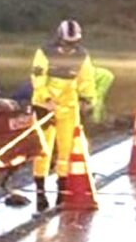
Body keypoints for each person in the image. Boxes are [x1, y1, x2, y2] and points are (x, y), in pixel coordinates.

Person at [30, 19, 96, 212]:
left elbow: (86, 79)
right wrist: (46, 99)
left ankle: (62, 191)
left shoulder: (82, 56)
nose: (70, 48)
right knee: (44, 149)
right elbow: (38, 77)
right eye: (67, 43)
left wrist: (86, 99)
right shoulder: (44, 52)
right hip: (45, 106)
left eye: (73, 44)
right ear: (59, 38)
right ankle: (40, 192)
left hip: (69, 107)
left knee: (67, 150)